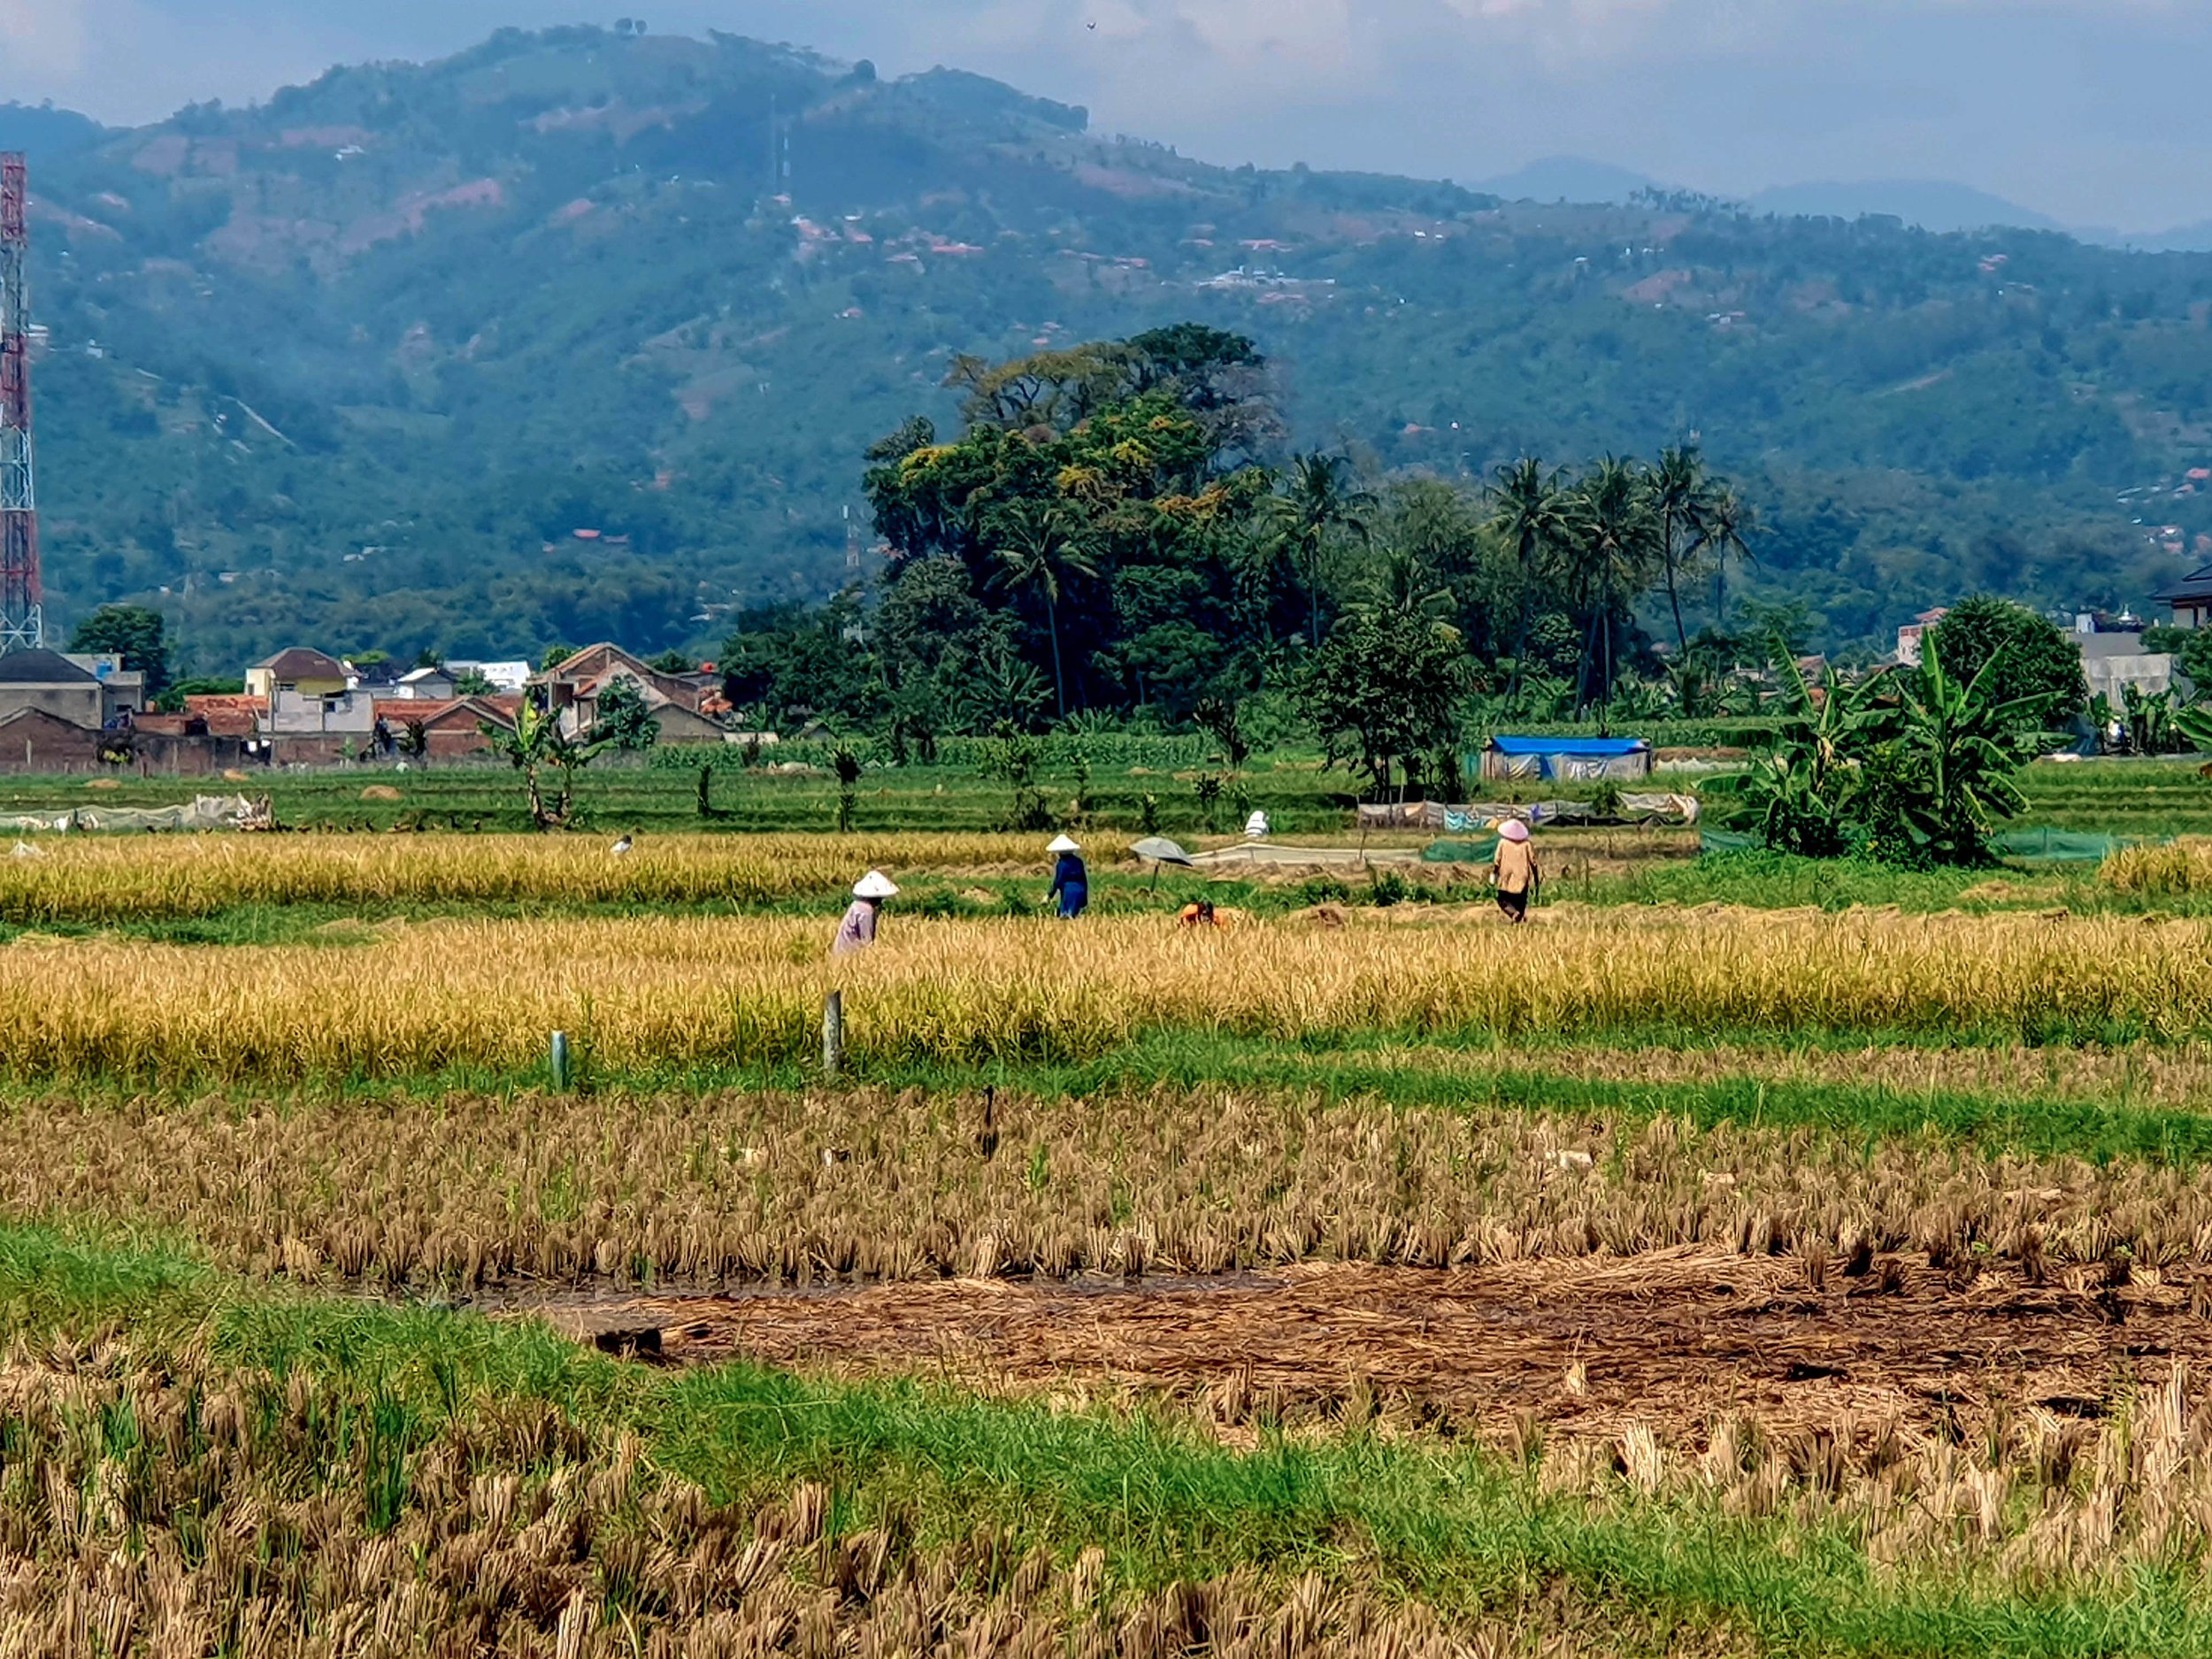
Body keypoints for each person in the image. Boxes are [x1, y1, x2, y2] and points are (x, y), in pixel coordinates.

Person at [833, 871, 898, 955]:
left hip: (840, 950)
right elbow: (867, 941)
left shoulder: (856, 905)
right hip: (849, 953)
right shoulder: (867, 911)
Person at [1489, 820, 1539, 924]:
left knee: (1502, 899)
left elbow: (1497, 861)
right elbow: (1533, 862)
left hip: (1506, 876)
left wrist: (1493, 874)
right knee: (1521, 900)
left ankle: (1513, 914)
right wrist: (1536, 876)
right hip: (1522, 876)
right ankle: (1518, 916)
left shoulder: (1503, 843)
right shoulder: (1527, 844)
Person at [1046, 834, 1088, 918]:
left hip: (1068, 893)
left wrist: (1050, 895)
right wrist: (1085, 896)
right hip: (1080, 890)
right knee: (1075, 916)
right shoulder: (1079, 862)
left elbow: (1058, 881)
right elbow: (1084, 879)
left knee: (1065, 916)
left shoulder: (1061, 864)